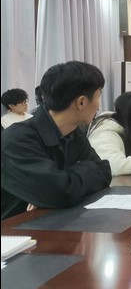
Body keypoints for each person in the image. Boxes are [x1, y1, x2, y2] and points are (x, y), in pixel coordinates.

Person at [1, 61, 112, 220]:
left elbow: (104, 171)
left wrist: (65, 178)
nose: (99, 106)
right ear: (81, 102)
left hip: (61, 222)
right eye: (98, 96)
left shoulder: (74, 132)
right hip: (16, 230)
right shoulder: (17, 139)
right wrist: (84, 168)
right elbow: (61, 193)